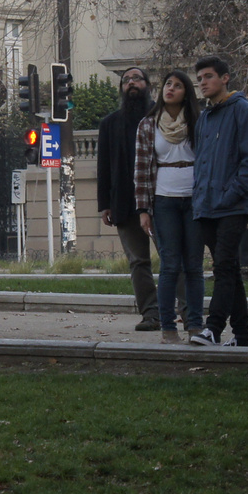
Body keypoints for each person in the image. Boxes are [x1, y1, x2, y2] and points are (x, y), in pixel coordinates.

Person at [188, 56, 248, 347]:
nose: (203, 83)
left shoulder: (243, 111)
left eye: (208, 76)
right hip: (207, 208)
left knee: (222, 268)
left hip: (233, 207)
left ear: (225, 78)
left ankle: (213, 329)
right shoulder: (205, 118)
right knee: (230, 270)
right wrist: (201, 199)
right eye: (199, 78)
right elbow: (201, 164)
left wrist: (229, 195)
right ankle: (244, 336)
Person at [135, 71, 204, 344]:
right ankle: (168, 327)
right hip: (163, 200)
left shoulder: (200, 122)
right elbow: (140, 170)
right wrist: (143, 209)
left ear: (187, 91)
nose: (170, 89)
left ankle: (196, 325)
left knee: (194, 267)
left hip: (195, 200)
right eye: (167, 84)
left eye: (177, 85)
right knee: (170, 265)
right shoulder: (148, 124)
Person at [96, 66, 159, 331]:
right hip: (124, 202)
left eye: (137, 78)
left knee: (172, 259)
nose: (131, 83)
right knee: (138, 261)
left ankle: (186, 312)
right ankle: (151, 314)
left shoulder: (162, 116)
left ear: (148, 84)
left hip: (161, 199)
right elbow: (104, 166)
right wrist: (104, 204)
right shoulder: (110, 123)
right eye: (126, 80)